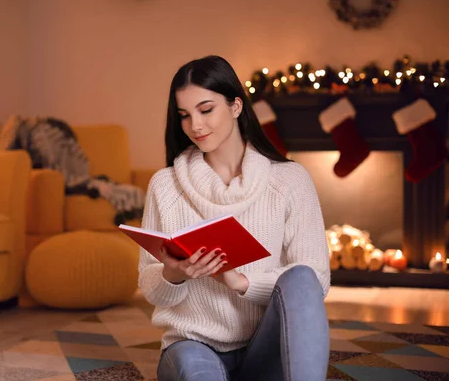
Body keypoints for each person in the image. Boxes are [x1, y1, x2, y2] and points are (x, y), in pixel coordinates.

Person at [138, 55, 331, 381]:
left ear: (236, 106)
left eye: (206, 109)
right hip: (192, 344)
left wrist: (239, 282)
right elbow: (150, 287)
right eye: (184, 115)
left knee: (300, 276)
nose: (195, 125)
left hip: (265, 346)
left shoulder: (290, 181)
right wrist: (174, 273)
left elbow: (314, 282)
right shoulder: (165, 186)